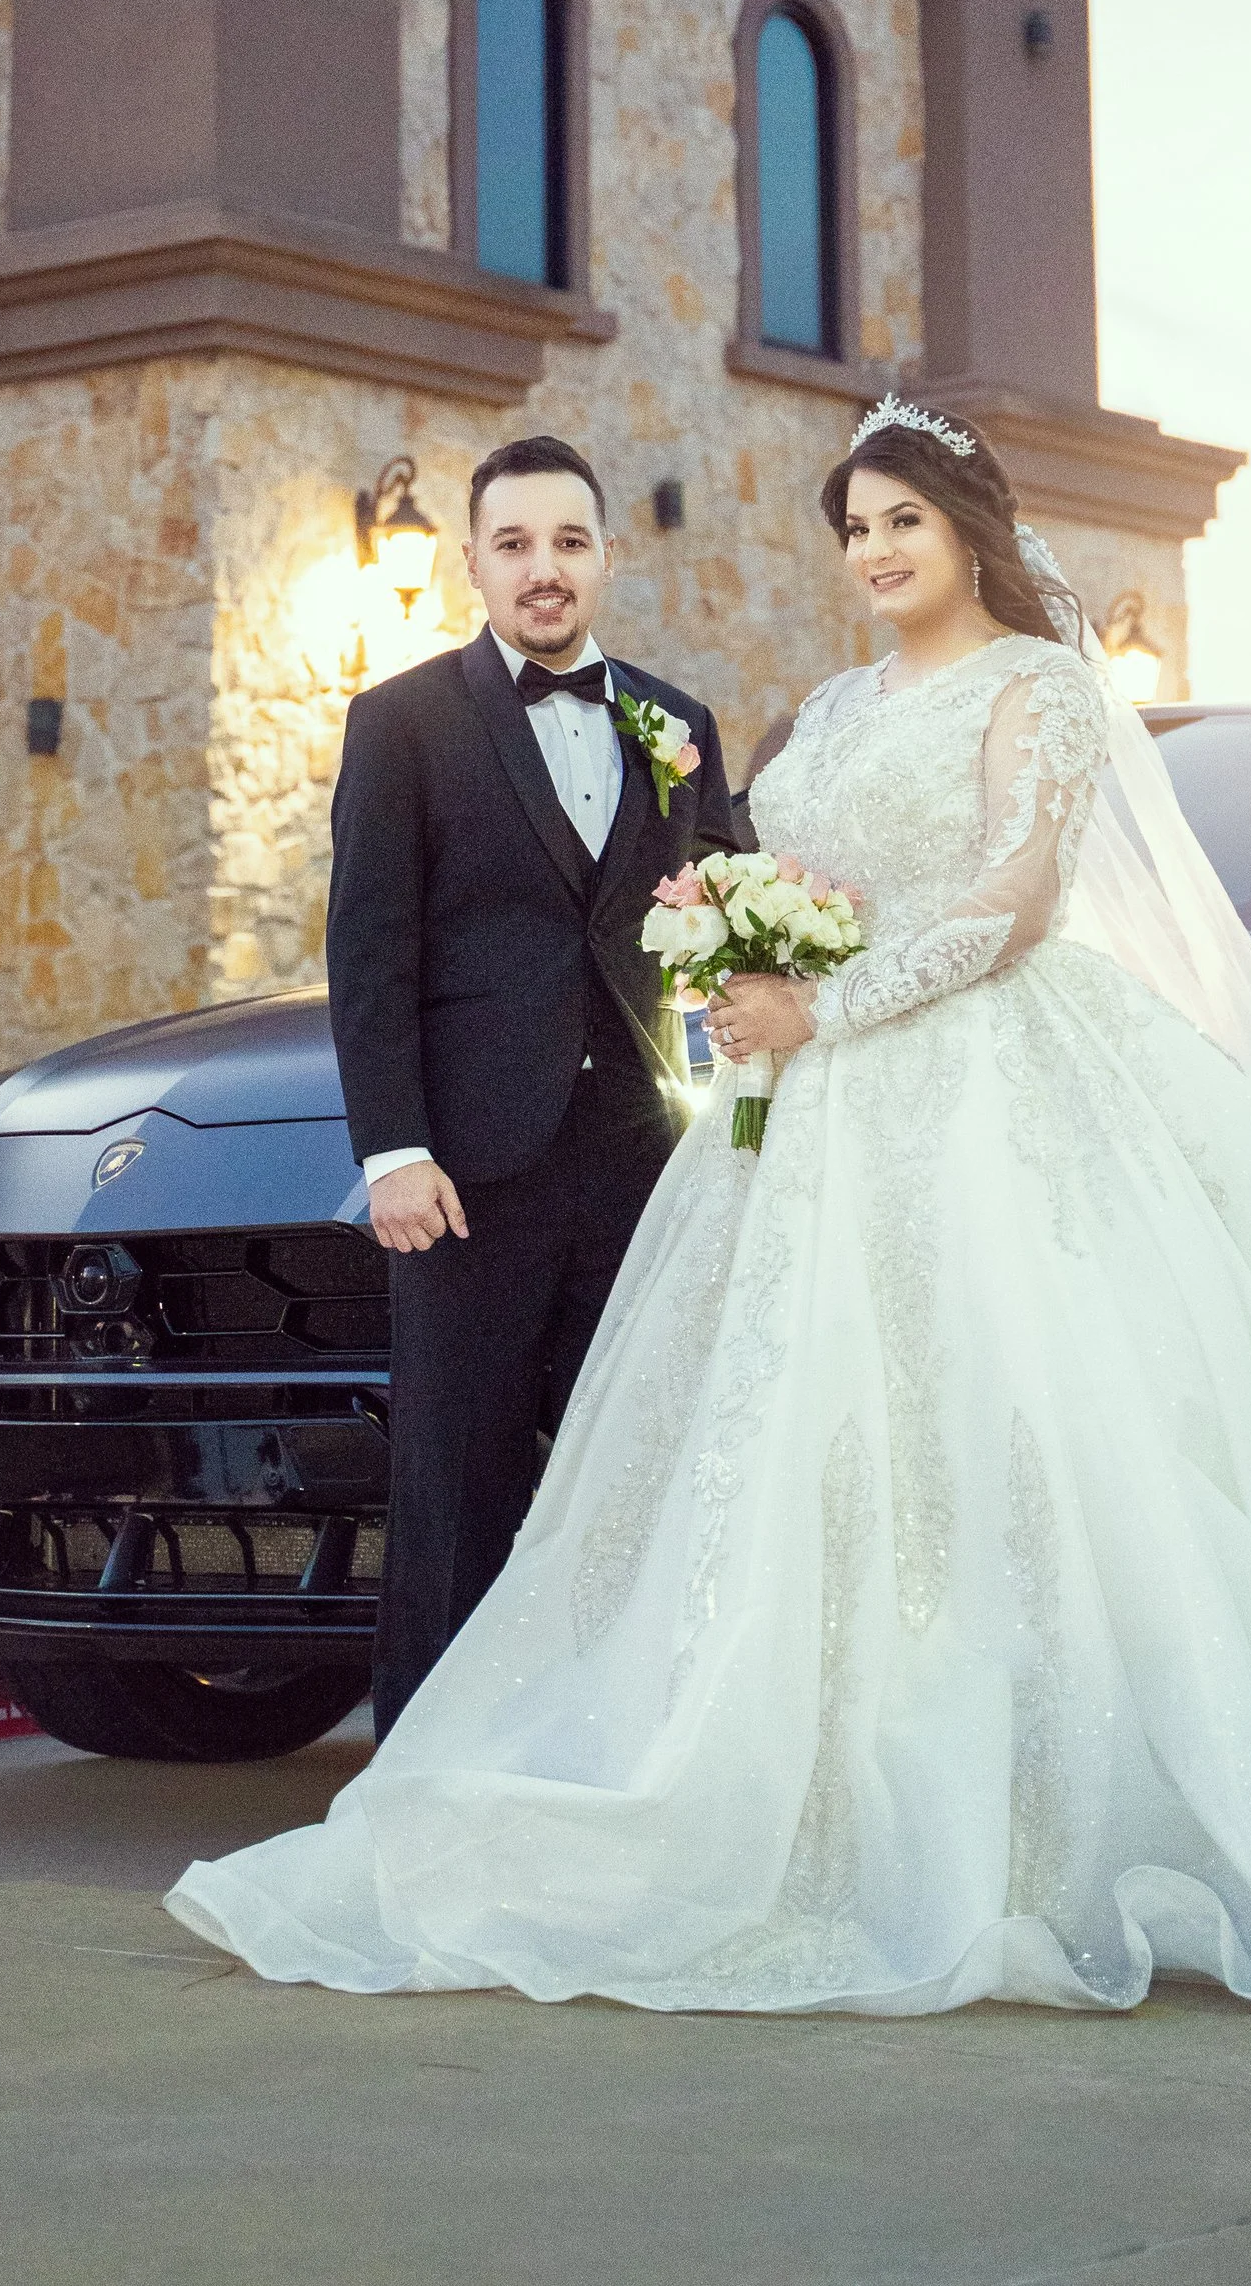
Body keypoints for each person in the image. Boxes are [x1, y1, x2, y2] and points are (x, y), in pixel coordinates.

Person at [170, 402, 1251, 2017]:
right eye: (853, 525)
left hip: (986, 1077)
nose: (873, 552)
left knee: (1062, 1433)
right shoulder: (823, 710)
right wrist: (742, 977)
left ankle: (1045, 1801)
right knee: (793, 1464)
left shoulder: (1046, 689)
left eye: (904, 520)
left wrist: (815, 1005)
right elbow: (711, 893)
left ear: (969, 528)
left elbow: (1012, 900)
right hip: (783, 1131)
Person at [321, 433, 736, 1735]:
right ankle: (420, 1803)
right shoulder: (401, 725)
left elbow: (723, 934)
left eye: (568, 541)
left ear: (610, 556)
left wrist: (731, 1116)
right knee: (454, 1491)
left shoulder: (679, 725)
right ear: (473, 563)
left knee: (640, 1482)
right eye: (514, 543)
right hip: (467, 1178)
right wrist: (393, 1147)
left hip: (640, 1166)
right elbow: (369, 951)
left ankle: (613, 1770)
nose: (543, 569)